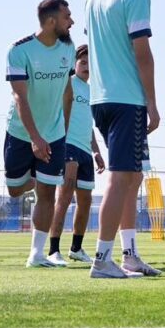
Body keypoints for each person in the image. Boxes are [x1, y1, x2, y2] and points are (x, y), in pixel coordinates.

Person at [86, 0, 162, 279]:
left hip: (100, 99)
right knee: (120, 179)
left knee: (132, 177)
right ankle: (102, 258)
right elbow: (142, 54)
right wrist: (152, 102)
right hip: (126, 98)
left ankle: (129, 254)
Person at [3, 0, 75, 267]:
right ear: (52, 20)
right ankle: (35, 174)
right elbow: (20, 97)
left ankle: (36, 254)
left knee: (47, 192)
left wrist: (62, 132)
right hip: (21, 133)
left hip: (54, 134)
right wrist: (35, 137)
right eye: (67, 16)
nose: (72, 21)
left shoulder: (67, 49)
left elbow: (68, 93)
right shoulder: (19, 50)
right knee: (14, 189)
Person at [48, 44, 106, 265]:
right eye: (83, 63)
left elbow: (89, 125)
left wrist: (97, 151)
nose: (87, 68)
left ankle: (76, 248)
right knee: (64, 197)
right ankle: (54, 250)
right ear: (74, 64)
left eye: (90, 65)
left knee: (85, 201)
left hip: (85, 150)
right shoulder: (67, 84)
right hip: (68, 146)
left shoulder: (92, 92)